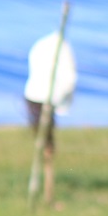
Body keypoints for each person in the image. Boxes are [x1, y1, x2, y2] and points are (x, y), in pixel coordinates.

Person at [24, 31, 76, 206]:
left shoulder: (48, 46)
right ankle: (46, 193)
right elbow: (70, 78)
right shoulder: (56, 47)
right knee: (46, 147)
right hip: (43, 97)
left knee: (45, 146)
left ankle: (47, 192)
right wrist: (62, 101)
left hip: (36, 95)